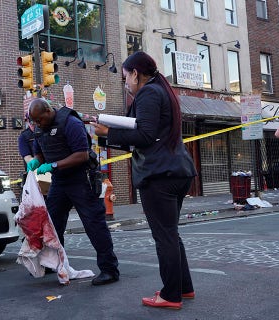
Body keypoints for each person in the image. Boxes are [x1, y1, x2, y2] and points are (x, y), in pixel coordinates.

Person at [91, 51, 197, 309]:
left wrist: (107, 132)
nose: (125, 82)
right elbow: (149, 134)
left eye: (126, 77)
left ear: (135, 74)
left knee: (164, 236)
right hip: (176, 171)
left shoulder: (149, 92)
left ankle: (170, 295)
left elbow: (146, 136)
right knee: (170, 233)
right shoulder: (161, 90)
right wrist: (110, 135)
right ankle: (183, 287)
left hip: (159, 175)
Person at [27, 98, 120, 286]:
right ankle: (53, 264)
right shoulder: (39, 128)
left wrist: (53, 164)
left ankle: (109, 269)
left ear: (48, 111)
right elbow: (40, 152)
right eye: (34, 121)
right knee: (52, 225)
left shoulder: (71, 123)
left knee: (94, 224)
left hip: (80, 179)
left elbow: (82, 154)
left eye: (40, 120)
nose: (37, 124)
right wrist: (37, 160)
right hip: (59, 181)